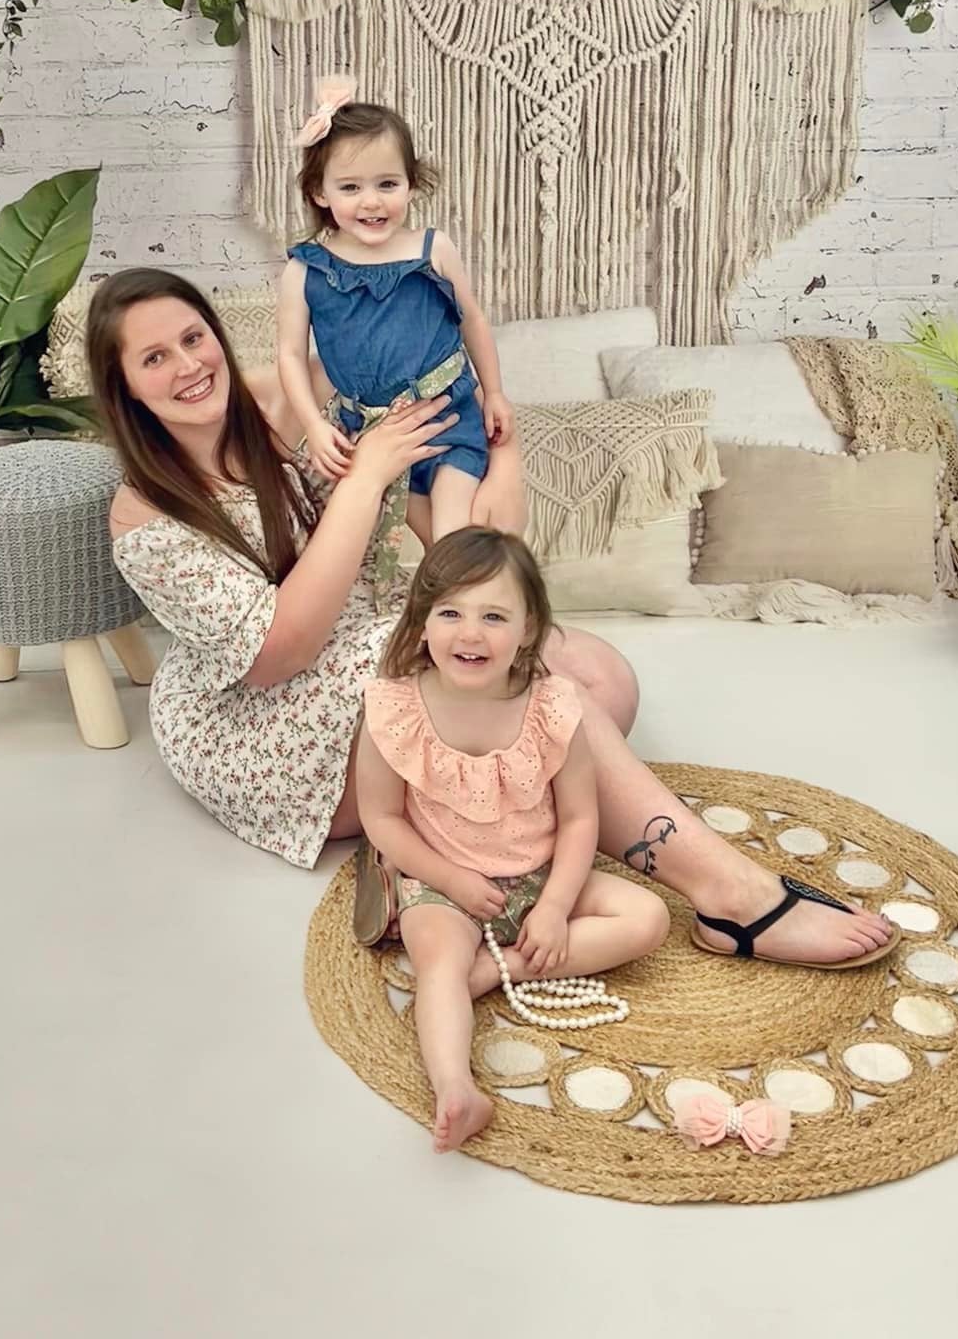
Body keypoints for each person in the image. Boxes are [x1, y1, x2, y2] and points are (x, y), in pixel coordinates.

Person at [90, 266, 897, 971]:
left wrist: (493, 454)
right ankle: (730, 894)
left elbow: (444, 489)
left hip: (355, 646)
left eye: (193, 338)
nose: (188, 367)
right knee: (498, 679)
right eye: (153, 358)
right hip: (263, 727)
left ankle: (435, 846)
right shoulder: (143, 514)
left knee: (600, 681)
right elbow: (281, 651)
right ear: (123, 387)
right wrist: (365, 478)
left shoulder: (279, 402)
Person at [357, 527, 669, 1153]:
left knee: (649, 918)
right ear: (422, 621)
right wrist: (451, 880)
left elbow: (579, 819)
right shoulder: (396, 708)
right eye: (450, 613)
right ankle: (455, 1087)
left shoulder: (551, 708)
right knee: (437, 962)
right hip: (442, 882)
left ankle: (491, 973)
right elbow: (382, 819)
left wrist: (553, 907)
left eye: (493, 616)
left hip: (538, 874)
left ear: (528, 629)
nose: (470, 634)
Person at [276, 79, 514, 569]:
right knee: (408, 549)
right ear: (319, 192)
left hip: (447, 418)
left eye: (387, 184)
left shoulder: (432, 248)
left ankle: (479, 604)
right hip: (369, 433)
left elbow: (472, 319)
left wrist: (494, 392)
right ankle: (438, 609)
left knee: (454, 540)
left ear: (410, 183)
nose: (372, 202)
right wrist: (314, 427)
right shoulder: (305, 270)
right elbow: (290, 355)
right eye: (350, 187)